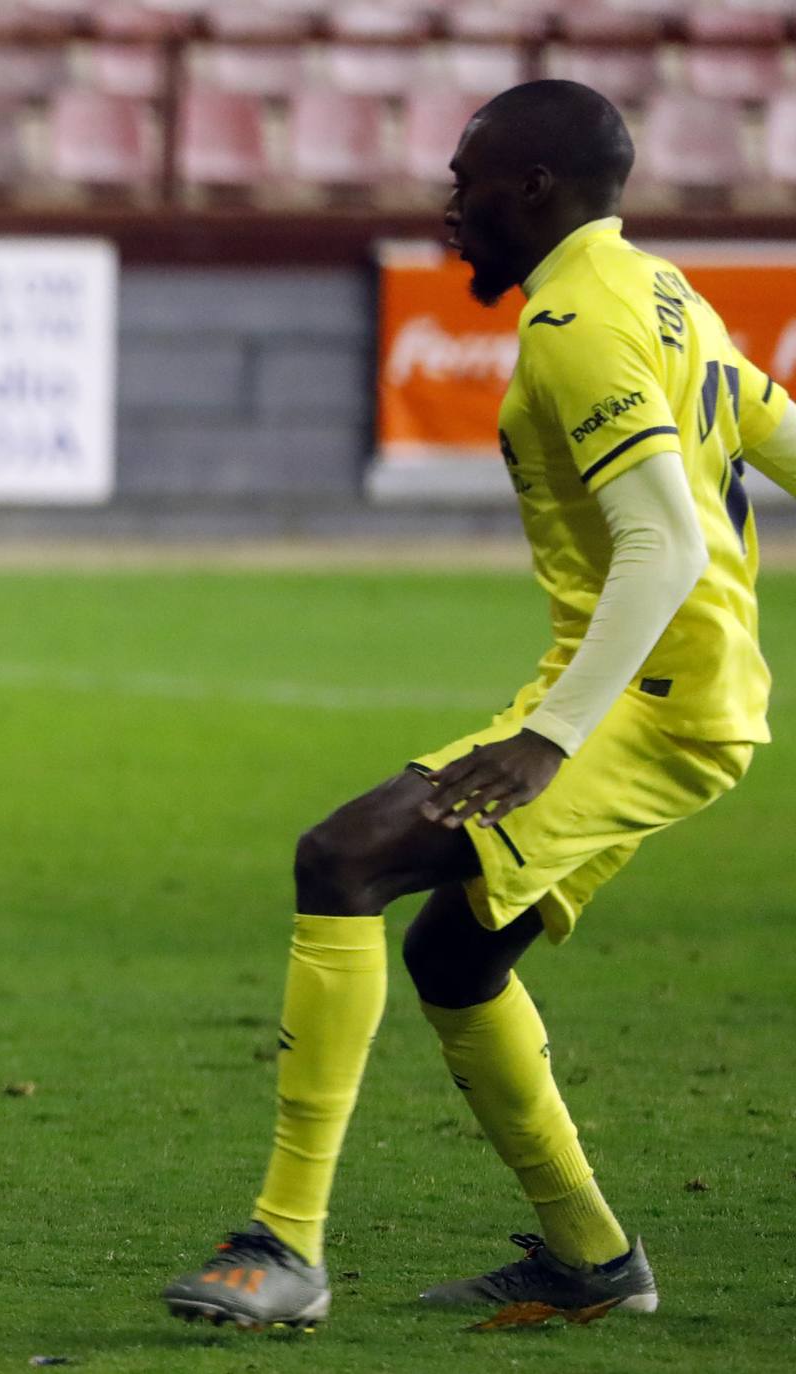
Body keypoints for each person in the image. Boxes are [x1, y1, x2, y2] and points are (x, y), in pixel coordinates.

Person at [160, 80, 794, 1329]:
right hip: (673, 691)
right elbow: (777, 432)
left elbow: (662, 545)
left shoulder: (580, 320)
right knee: (454, 953)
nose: (449, 206)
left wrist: (548, 738)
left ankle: (283, 1247)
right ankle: (589, 1261)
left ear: (536, 189)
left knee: (342, 857)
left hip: (651, 705)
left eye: (468, 181)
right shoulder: (656, 290)